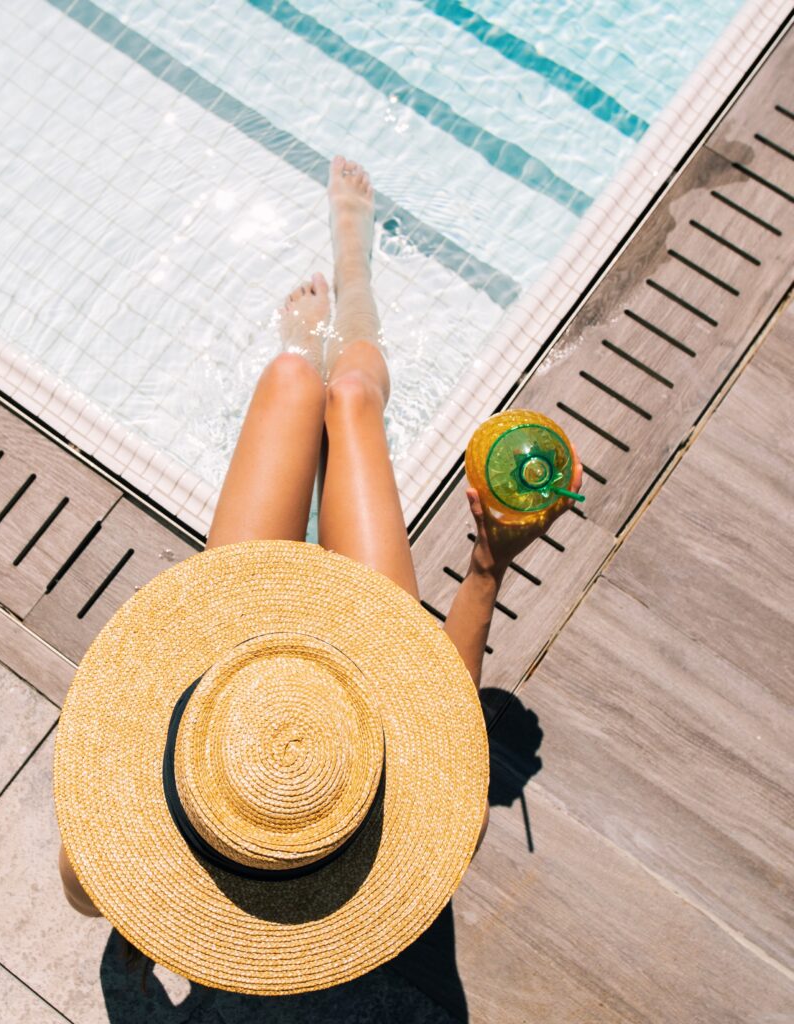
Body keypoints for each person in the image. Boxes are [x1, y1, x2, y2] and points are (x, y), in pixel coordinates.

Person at [57, 154, 583, 957]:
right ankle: (351, 263)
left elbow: (82, 888)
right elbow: (440, 707)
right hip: (354, 696)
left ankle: (308, 335)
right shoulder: (438, 823)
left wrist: (163, 861)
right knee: (349, 400)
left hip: (229, 677)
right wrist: (486, 562)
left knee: (291, 382)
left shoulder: (122, 837)